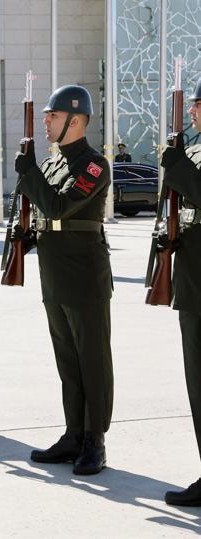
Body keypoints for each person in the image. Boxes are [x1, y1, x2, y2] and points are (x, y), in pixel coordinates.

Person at [13, 85, 113, 475]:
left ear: (76, 120)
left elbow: (57, 205)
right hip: (54, 272)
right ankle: (73, 433)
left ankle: (95, 440)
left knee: (92, 361)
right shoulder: (54, 164)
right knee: (68, 361)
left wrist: (29, 173)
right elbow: (45, 214)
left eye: (52, 116)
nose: (45, 122)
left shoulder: (93, 165)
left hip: (84, 274)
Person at [160, 78, 201, 506]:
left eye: (197, 105)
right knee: (197, 385)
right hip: (192, 281)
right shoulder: (192, 152)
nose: (191, 112)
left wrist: (179, 167)